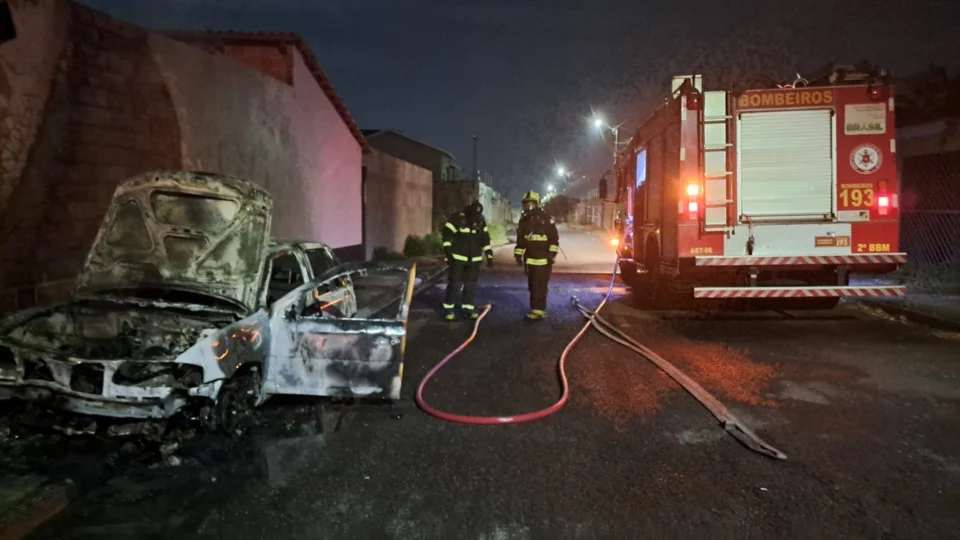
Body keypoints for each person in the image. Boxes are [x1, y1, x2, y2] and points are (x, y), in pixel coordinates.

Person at [441, 201, 493, 321]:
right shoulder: (457, 219)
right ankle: (449, 309)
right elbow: (447, 235)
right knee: (455, 284)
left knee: (470, 286)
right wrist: (448, 253)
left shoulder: (480, 220)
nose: (475, 220)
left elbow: (485, 238)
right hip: (457, 259)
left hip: (474, 260)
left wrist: (489, 255)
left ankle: (468, 309)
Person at [514, 191, 559, 320]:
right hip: (530, 260)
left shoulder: (546, 218)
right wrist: (518, 254)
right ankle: (535, 309)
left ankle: (540, 310)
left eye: (531, 204)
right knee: (532, 286)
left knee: (540, 285)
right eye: (526, 204)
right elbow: (521, 240)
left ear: (537, 204)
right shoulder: (524, 220)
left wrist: (551, 254)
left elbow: (554, 239)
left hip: (544, 260)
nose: (529, 207)